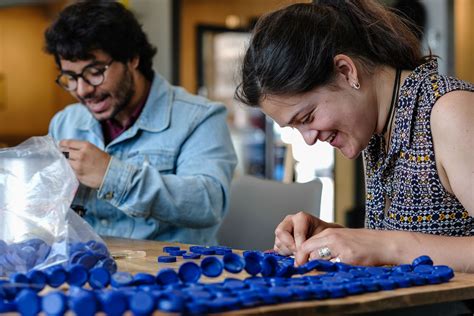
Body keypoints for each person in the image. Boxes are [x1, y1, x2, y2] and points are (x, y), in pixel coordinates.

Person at [236, 0, 473, 272]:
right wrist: (330, 238)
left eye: (307, 118)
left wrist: (383, 245)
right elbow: (415, 241)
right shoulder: (377, 129)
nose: (308, 139)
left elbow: (396, 246)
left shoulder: (447, 110)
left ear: (346, 72)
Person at [45, 1, 237, 245]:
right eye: (71, 77)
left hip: (173, 275)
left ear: (132, 58)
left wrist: (110, 175)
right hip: (87, 271)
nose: (82, 90)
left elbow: (208, 204)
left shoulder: (200, 118)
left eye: (95, 72)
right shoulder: (65, 122)